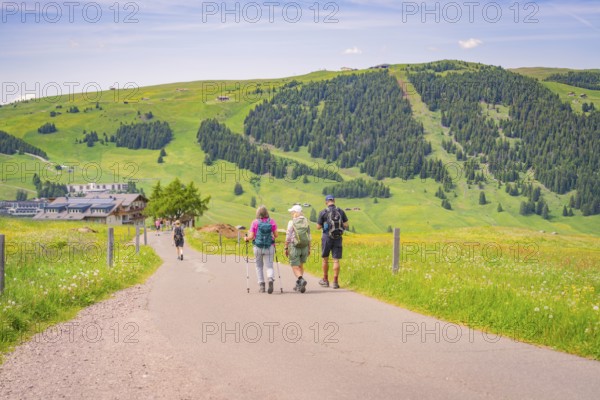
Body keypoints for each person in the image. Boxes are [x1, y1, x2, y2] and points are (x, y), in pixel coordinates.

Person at [316, 195, 348, 289]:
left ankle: (325, 280)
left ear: (326, 202)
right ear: (334, 200)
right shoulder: (341, 211)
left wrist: (324, 225)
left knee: (325, 259)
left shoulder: (323, 212)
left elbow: (318, 227)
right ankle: (335, 282)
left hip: (326, 237)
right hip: (338, 238)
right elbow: (346, 224)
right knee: (336, 260)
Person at [245, 205, 278, 294]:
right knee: (269, 266)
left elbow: (251, 237)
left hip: (258, 247)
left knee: (259, 266)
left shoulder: (255, 222)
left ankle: (262, 286)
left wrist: (246, 238)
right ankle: (270, 278)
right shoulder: (272, 221)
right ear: (267, 212)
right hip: (269, 246)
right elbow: (276, 235)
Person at [284, 205, 311, 293]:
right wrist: (309, 248)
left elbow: (288, 236)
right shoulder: (306, 221)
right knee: (301, 265)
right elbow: (309, 236)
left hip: (294, 246)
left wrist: (286, 247)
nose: (291, 213)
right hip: (305, 247)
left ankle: (301, 279)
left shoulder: (291, 222)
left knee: (294, 266)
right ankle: (299, 284)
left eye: (292, 212)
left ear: (295, 212)